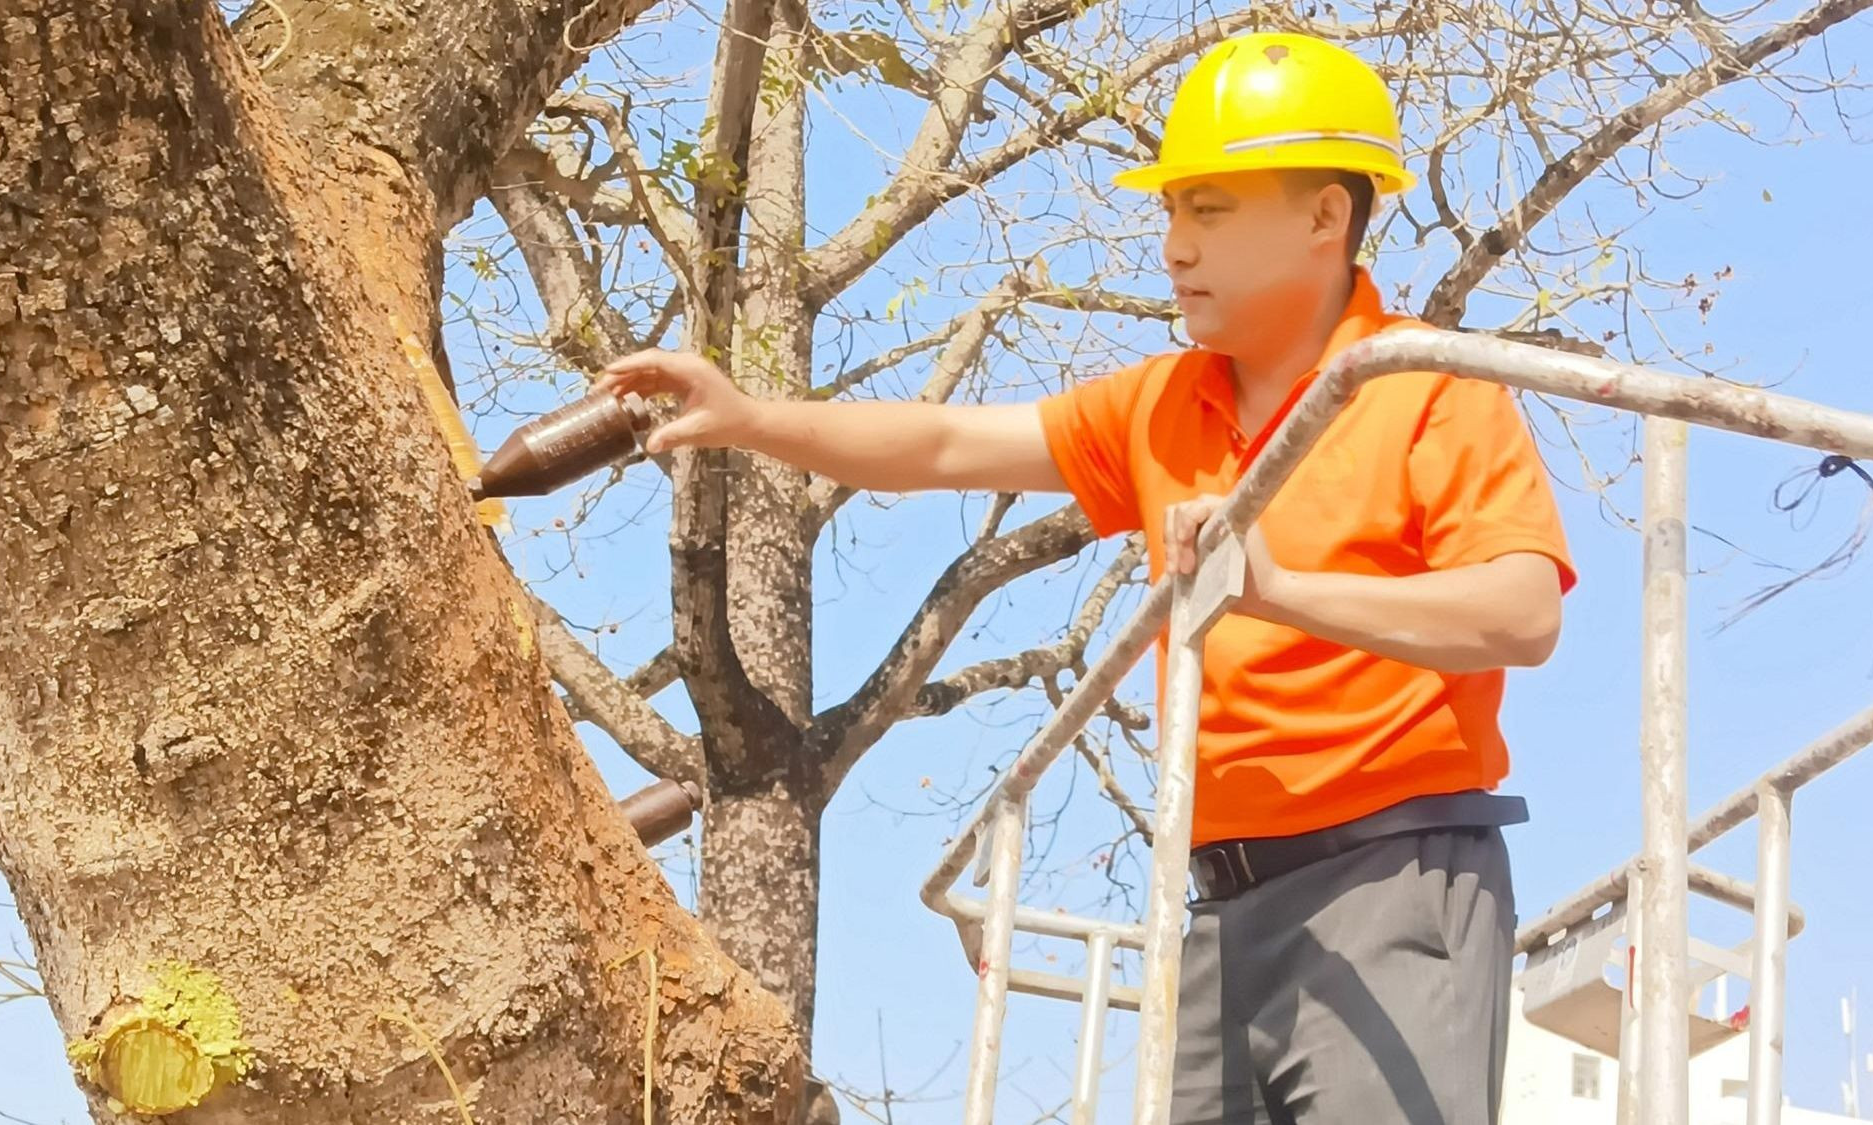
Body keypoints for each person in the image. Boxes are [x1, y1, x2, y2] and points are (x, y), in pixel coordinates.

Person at [596, 31, 1574, 1125]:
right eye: (1171, 212)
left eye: (1207, 211)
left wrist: (1277, 588)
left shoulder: (1428, 389)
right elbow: (943, 446)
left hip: (1390, 876)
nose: (1174, 247)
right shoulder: (1159, 404)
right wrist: (747, 417)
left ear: (1324, 216)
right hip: (1218, 908)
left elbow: (1520, 611)